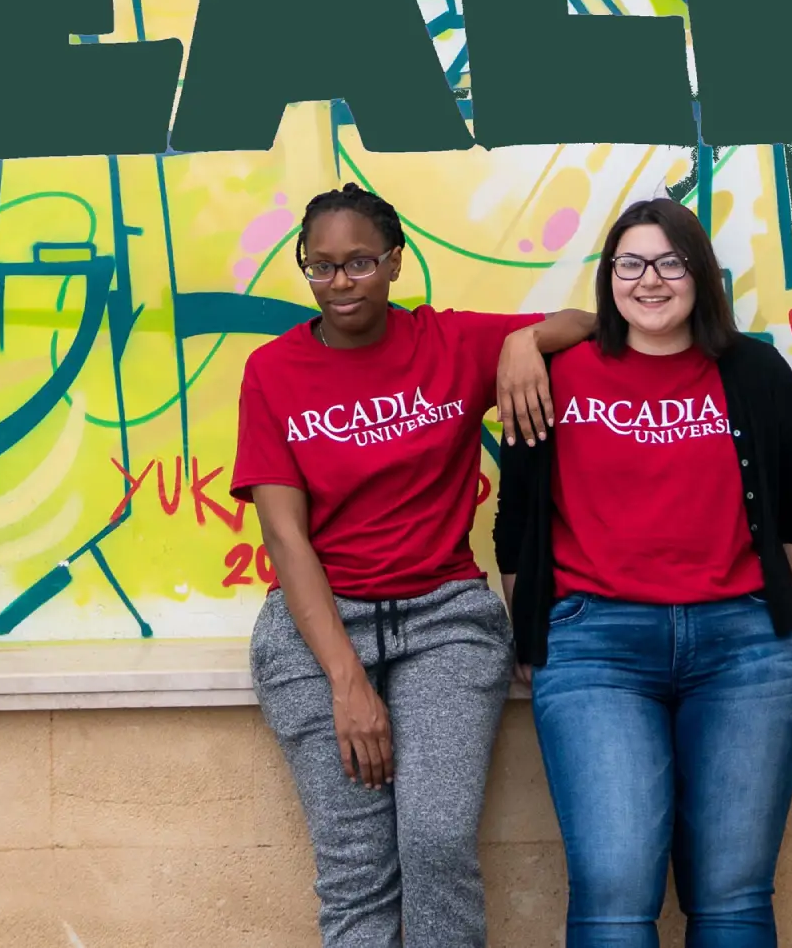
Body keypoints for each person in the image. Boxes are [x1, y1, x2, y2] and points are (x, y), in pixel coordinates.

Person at [231, 182, 595, 948]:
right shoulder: (273, 372)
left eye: (360, 262)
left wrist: (525, 342)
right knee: (357, 869)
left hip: (444, 623)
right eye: (320, 266)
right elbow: (286, 539)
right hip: (319, 632)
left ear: (394, 262)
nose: (340, 283)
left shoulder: (451, 342)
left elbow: (593, 323)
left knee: (435, 845)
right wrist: (346, 681)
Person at [493, 197, 792, 947]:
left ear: (700, 275)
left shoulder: (751, 370)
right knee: (616, 890)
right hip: (595, 650)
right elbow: (517, 520)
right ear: (608, 277)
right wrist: (531, 634)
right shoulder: (555, 373)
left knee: (732, 895)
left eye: (669, 262)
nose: (649, 279)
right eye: (630, 263)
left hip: (746, 647)